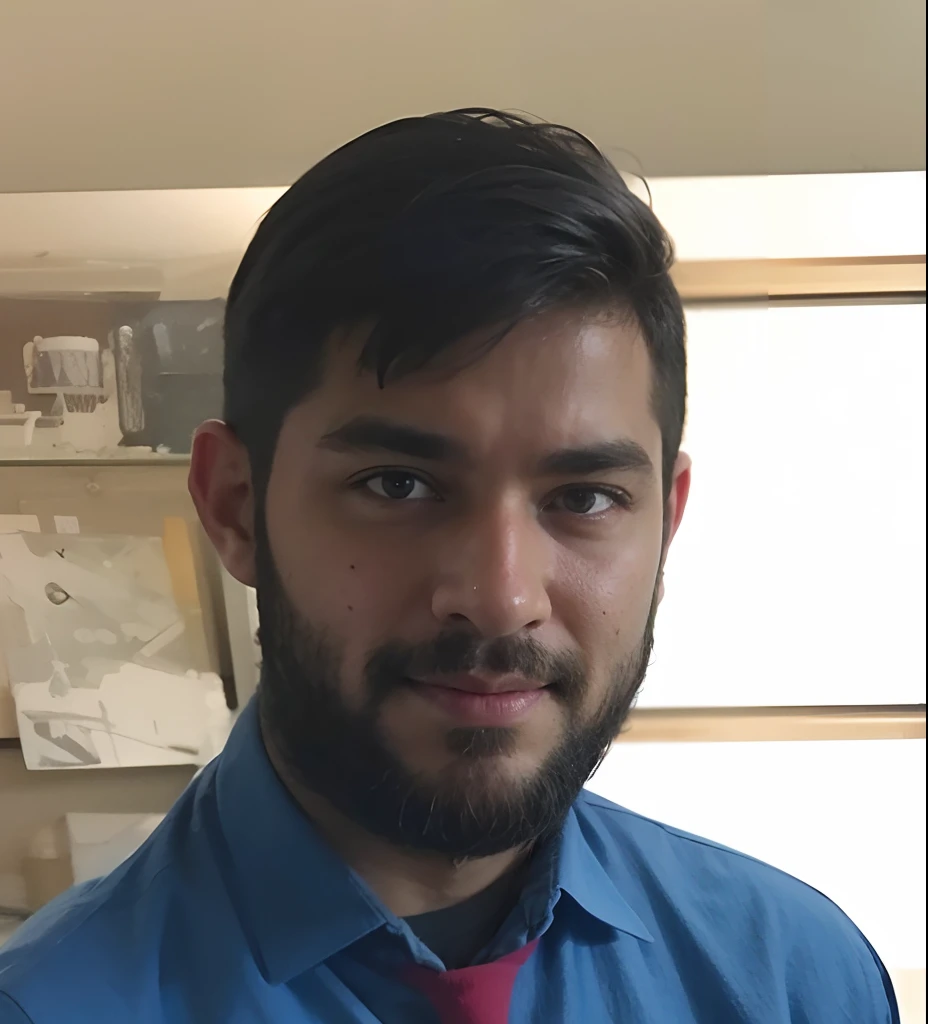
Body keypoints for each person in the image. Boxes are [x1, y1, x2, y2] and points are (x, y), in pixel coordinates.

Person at [0, 109, 898, 1024]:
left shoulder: (797, 981)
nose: (501, 599)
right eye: (398, 484)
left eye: (584, 497)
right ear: (234, 506)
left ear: (665, 524)